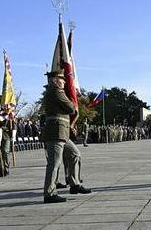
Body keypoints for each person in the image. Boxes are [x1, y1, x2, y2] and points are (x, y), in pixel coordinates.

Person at [42, 70, 91, 204]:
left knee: (75, 154)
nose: (64, 81)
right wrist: (71, 104)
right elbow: (70, 108)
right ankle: (49, 193)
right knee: (54, 163)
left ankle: (74, 184)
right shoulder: (56, 92)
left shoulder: (56, 91)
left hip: (62, 132)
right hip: (55, 132)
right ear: (54, 81)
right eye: (61, 79)